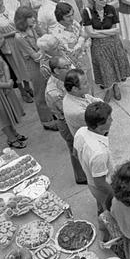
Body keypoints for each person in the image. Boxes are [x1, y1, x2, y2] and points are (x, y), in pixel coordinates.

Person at [81, 0, 130, 102]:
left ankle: (116, 86)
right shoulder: (87, 12)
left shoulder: (110, 9)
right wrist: (108, 32)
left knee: (115, 65)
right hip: (98, 46)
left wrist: (98, 32)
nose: (105, 1)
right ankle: (108, 89)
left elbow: (116, 30)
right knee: (105, 68)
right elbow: (90, 33)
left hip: (114, 43)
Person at [44, 55, 87, 184]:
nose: (71, 68)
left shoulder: (65, 79)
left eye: (70, 65)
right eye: (66, 67)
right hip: (66, 122)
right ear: (56, 71)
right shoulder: (53, 91)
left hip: (72, 117)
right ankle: (81, 177)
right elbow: (68, 109)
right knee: (75, 148)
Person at [12, 7, 55, 128]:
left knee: (49, 89)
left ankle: (52, 112)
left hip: (43, 62)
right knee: (40, 93)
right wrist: (43, 47)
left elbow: (45, 37)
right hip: (34, 66)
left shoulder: (33, 28)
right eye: (30, 17)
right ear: (22, 20)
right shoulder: (19, 37)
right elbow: (35, 56)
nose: (33, 19)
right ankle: (46, 121)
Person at [74, 101, 114, 214]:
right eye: (109, 119)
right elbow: (100, 183)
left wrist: (87, 165)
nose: (112, 121)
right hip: (103, 189)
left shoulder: (81, 132)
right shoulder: (99, 153)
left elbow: (75, 153)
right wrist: (115, 195)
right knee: (108, 211)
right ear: (99, 125)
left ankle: (100, 208)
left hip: (91, 181)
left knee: (101, 204)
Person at [51, 2, 90, 75]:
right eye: (68, 16)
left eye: (72, 14)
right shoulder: (57, 34)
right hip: (75, 69)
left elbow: (85, 34)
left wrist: (81, 39)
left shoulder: (74, 23)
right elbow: (73, 53)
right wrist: (82, 38)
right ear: (60, 18)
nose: (72, 18)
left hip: (86, 58)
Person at [62, 68, 102, 138]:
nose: (89, 84)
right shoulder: (78, 111)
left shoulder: (76, 94)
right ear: (75, 89)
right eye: (85, 83)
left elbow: (94, 100)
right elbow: (98, 121)